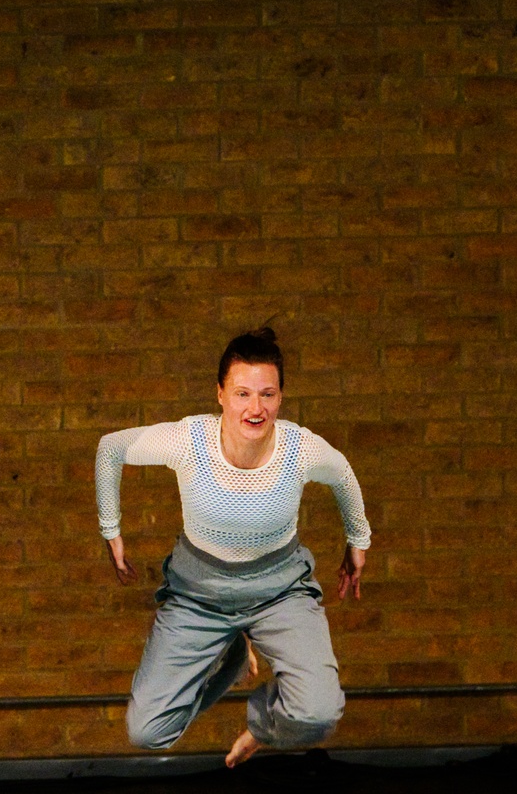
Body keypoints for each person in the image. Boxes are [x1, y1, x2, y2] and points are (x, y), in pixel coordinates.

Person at [95, 326, 371, 767]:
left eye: (268, 395)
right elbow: (111, 448)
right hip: (198, 595)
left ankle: (262, 726)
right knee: (147, 731)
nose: (255, 408)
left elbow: (343, 474)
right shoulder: (189, 440)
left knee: (317, 715)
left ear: (280, 397)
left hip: (279, 592)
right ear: (220, 394)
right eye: (243, 393)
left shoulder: (300, 448)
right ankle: (232, 656)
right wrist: (111, 529)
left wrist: (358, 541)